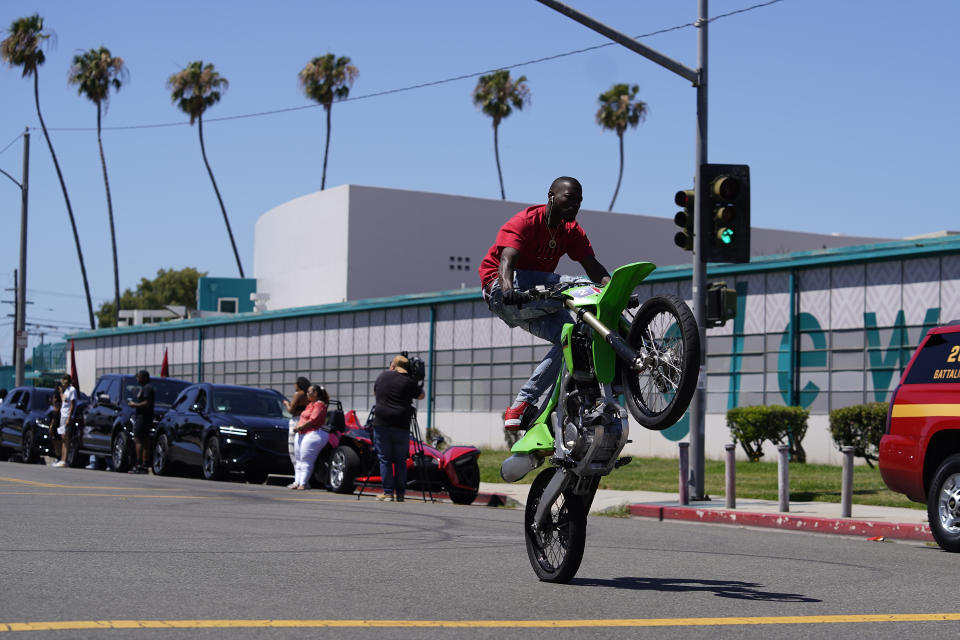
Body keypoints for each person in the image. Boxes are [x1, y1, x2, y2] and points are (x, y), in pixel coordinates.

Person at [478, 176, 611, 431]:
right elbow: (507, 259)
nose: (575, 205)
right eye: (569, 199)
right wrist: (507, 289)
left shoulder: (571, 230)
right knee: (575, 284)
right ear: (551, 196)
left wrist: (613, 287)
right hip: (501, 289)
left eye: (579, 201)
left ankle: (522, 405)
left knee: (571, 343)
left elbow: (593, 266)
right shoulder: (526, 222)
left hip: (533, 300)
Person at [371, 354, 425, 502]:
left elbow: (375, 392)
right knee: (401, 460)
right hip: (401, 425)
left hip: (382, 423)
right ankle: (400, 493)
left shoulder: (382, 377)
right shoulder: (408, 381)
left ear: (393, 366)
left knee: (385, 459)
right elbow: (421, 396)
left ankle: (388, 492)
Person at [290, 384, 329, 490]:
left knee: (306, 459)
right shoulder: (310, 404)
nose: (306, 394)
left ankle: (303, 483)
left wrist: (300, 427)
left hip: (313, 433)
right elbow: (303, 417)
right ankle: (297, 481)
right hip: (302, 433)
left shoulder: (319, 404)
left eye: (308, 392)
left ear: (315, 393)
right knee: (298, 459)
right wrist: (298, 426)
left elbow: (313, 419)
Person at [126, 369, 155, 474]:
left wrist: (134, 405)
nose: (137, 379)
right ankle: (143, 465)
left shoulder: (147, 388)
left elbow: (147, 403)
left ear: (144, 377)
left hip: (143, 418)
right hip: (144, 418)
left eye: (138, 377)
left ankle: (140, 465)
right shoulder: (145, 388)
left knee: (139, 440)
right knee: (144, 441)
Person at [284, 376, 310, 481]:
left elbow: (291, 410)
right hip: (304, 421)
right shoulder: (308, 395)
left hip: (295, 421)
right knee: (301, 451)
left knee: (293, 451)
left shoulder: (298, 394)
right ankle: (303, 479)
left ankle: (297, 479)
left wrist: (286, 404)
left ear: (299, 384)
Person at [54, 375, 77, 468]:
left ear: (69, 380)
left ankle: (65, 460)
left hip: (67, 416)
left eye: (65, 379)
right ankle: (62, 459)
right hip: (62, 415)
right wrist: (60, 392)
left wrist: (69, 417)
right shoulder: (66, 390)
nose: (63, 381)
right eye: (62, 379)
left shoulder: (72, 390)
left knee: (66, 438)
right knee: (62, 437)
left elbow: (72, 404)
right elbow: (64, 400)